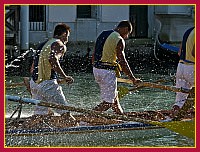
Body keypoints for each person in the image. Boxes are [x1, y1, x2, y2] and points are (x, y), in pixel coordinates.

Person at [92, 20, 142, 115]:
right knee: (108, 103)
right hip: (107, 71)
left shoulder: (103, 34)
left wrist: (97, 69)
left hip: (96, 69)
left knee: (114, 98)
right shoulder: (119, 39)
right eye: (128, 33)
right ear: (125, 29)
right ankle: (88, 115)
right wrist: (133, 78)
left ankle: (121, 116)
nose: (126, 36)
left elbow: (94, 54)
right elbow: (122, 61)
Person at [29, 23, 76, 122]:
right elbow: (52, 59)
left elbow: (33, 68)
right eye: (67, 37)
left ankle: (22, 132)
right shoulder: (59, 44)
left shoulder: (43, 44)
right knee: (66, 113)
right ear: (63, 34)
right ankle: (79, 134)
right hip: (47, 84)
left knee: (39, 116)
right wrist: (64, 76)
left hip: (34, 83)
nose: (67, 40)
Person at [172, 27, 195, 114]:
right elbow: (194, 52)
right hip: (192, 67)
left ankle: (176, 113)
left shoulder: (189, 30)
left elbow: (179, 52)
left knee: (180, 99)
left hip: (181, 66)